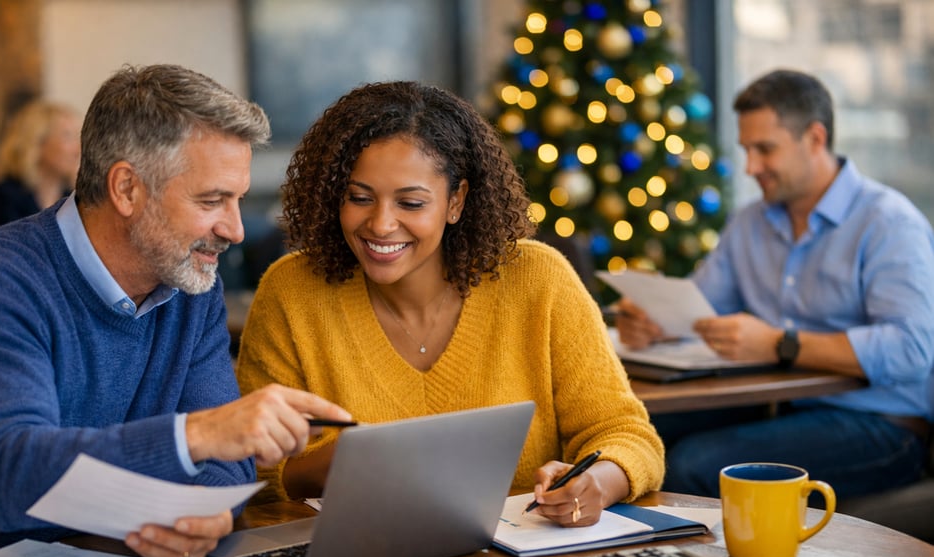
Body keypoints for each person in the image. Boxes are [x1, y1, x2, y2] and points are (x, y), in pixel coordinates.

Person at [0, 64, 351, 557]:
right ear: (126, 188)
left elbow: (227, 468)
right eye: (212, 200)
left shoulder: (191, 284)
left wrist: (203, 519)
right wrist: (196, 434)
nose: (235, 229)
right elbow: (9, 475)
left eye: (236, 200)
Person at [235, 81, 665, 527]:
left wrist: (597, 481)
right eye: (359, 197)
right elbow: (253, 477)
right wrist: (340, 463)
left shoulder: (539, 279)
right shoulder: (291, 292)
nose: (380, 224)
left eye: (411, 202)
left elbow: (627, 435)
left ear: (455, 201)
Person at [616, 69, 934, 499]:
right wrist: (657, 322)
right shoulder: (751, 223)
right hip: (775, 407)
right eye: (747, 150)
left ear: (815, 139)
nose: (751, 168)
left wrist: (780, 344)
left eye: (765, 150)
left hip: (883, 426)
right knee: (631, 435)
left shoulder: (888, 222)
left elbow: (912, 349)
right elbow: (700, 305)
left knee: (692, 465)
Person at [0, 99, 82, 237]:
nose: (78, 149)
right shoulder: (2, 201)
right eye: (67, 137)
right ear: (37, 143)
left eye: (78, 137)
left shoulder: (74, 200)